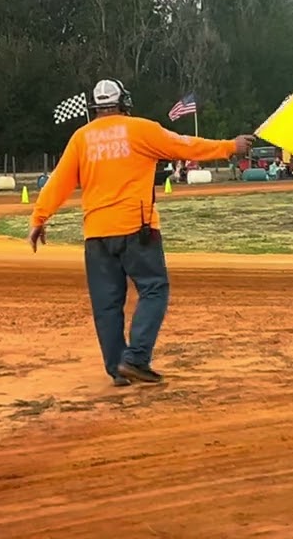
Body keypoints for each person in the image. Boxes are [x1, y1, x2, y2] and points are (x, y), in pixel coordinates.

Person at [28, 79, 253, 387]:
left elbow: (59, 181)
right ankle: (135, 359)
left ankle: (117, 369)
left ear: (95, 108)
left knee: (106, 305)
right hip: (138, 228)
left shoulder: (81, 138)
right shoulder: (140, 130)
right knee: (154, 289)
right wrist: (230, 146)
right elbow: (185, 145)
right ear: (123, 103)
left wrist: (39, 218)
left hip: (96, 233)